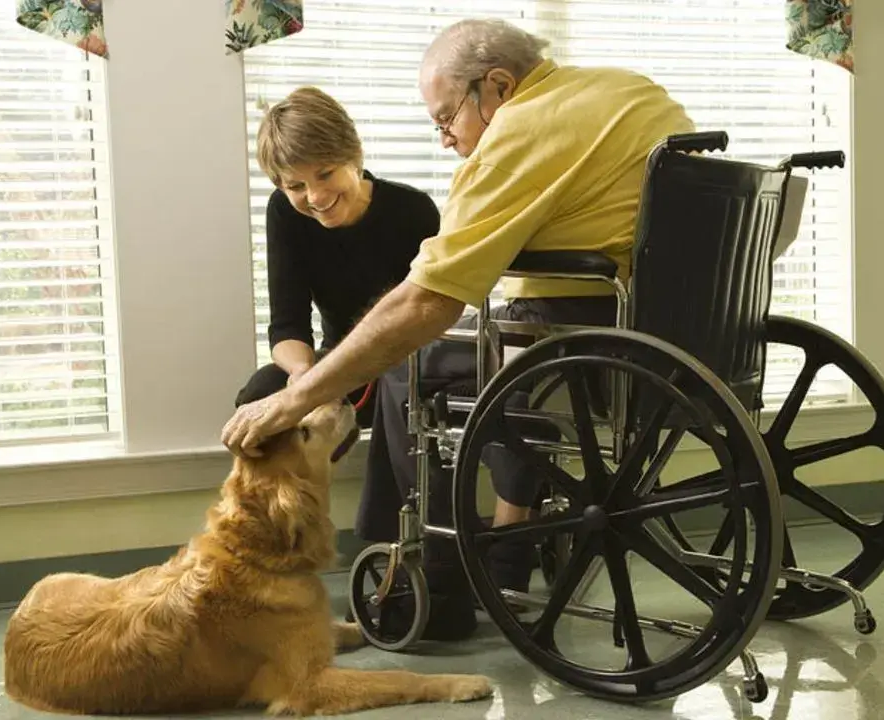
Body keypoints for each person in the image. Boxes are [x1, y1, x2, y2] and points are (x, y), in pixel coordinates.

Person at [223, 18, 695, 640]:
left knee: (406, 368)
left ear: (496, 87)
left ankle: (436, 581)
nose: (446, 139)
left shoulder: (517, 136)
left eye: (447, 118)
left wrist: (301, 397)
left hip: (581, 341)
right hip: (672, 340)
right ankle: (494, 552)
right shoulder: (632, 92)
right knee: (461, 356)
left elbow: (422, 308)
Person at [234, 86, 440, 430]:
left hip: (406, 367)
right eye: (296, 186)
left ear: (354, 156)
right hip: (335, 366)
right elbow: (287, 325)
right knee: (260, 393)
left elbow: (426, 317)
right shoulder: (284, 212)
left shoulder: (413, 210)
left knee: (403, 391)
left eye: (325, 173)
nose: (315, 196)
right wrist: (304, 377)